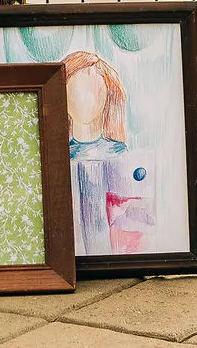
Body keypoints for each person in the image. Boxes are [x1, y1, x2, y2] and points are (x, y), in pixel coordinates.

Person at [63, 50, 154, 253]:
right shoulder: (60, 154)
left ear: (108, 95)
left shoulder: (118, 153)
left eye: (93, 91)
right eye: (77, 91)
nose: (85, 100)